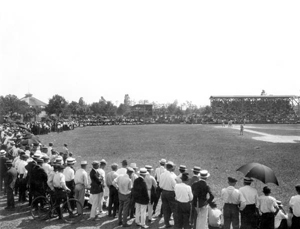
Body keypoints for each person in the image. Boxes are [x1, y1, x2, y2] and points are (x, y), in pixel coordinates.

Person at [160, 161, 177, 228]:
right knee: (174, 209)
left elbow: (160, 185)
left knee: (165, 208)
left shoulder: (162, 174)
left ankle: (166, 223)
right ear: (171, 167)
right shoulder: (171, 176)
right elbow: (174, 185)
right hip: (171, 193)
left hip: (163, 192)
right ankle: (176, 223)